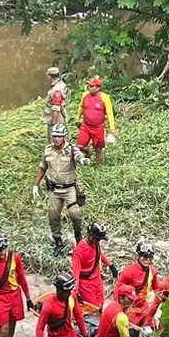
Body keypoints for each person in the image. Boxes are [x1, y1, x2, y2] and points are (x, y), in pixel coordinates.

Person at [31, 124, 87, 253]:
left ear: (64, 137)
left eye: (59, 137)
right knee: (53, 215)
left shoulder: (71, 149)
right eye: (55, 136)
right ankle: (58, 241)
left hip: (69, 189)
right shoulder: (47, 150)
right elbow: (42, 168)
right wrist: (35, 185)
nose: (57, 139)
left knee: (75, 214)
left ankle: (78, 236)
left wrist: (82, 160)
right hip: (54, 190)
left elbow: (78, 155)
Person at [71, 220, 115, 331]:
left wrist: (110, 265)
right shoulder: (79, 251)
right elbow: (75, 274)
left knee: (100, 306)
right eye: (98, 239)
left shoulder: (96, 244)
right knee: (92, 309)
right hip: (86, 285)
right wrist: (76, 293)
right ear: (90, 236)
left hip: (97, 281)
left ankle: (100, 327)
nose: (99, 241)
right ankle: (87, 329)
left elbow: (99, 254)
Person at [115, 242, 159, 325]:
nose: (148, 259)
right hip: (130, 306)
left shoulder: (152, 272)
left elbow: (157, 289)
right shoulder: (129, 271)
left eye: (150, 257)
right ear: (138, 256)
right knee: (133, 330)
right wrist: (119, 309)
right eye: (145, 256)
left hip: (143, 305)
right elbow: (118, 289)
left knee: (150, 327)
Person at [77, 77, 117, 165]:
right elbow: (81, 107)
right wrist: (77, 118)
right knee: (80, 146)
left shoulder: (105, 98)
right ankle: (88, 152)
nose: (89, 88)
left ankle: (99, 167)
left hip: (98, 127)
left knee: (98, 149)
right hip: (86, 126)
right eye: (89, 86)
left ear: (98, 88)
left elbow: (110, 114)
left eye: (92, 86)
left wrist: (112, 128)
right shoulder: (85, 95)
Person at [43, 66, 69, 142]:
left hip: (57, 117)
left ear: (49, 76)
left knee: (56, 139)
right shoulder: (62, 84)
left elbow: (56, 108)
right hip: (60, 115)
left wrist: (54, 123)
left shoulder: (56, 90)